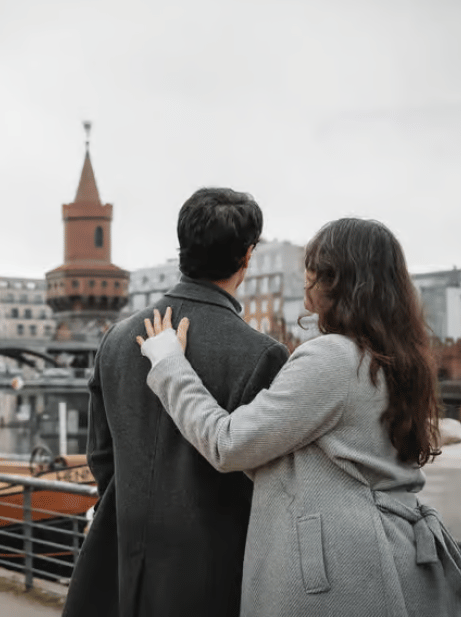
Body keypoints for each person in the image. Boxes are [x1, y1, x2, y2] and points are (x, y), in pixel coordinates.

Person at [137, 218, 461, 617]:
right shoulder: (396, 358)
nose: (304, 277)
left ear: (335, 278)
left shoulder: (332, 358)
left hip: (342, 575)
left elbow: (228, 443)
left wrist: (169, 364)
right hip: (394, 560)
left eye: (311, 265)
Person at [62, 188, 289, 617]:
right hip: (214, 576)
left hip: (124, 565)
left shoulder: (117, 339)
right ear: (247, 257)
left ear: (183, 247)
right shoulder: (262, 355)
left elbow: (101, 457)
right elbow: (267, 482)